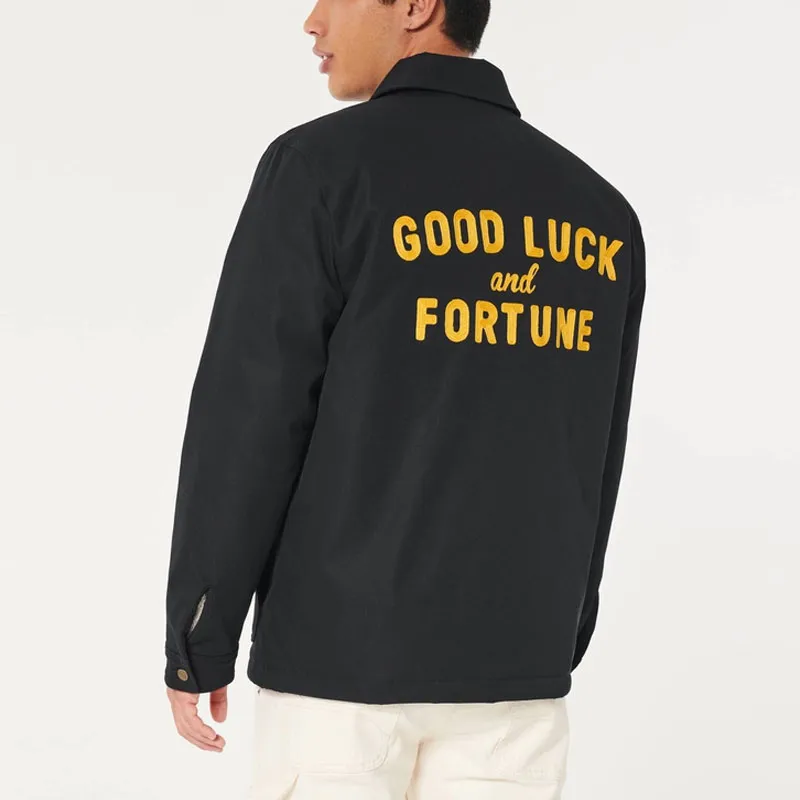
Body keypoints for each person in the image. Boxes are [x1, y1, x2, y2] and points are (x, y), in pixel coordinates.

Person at [163, 0, 646, 797]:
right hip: (517, 679)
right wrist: (556, 633)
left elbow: (250, 415)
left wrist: (198, 634)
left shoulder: (321, 169)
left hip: (341, 679)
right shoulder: (599, 213)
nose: (312, 21)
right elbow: (597, 452)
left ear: (417, 6)